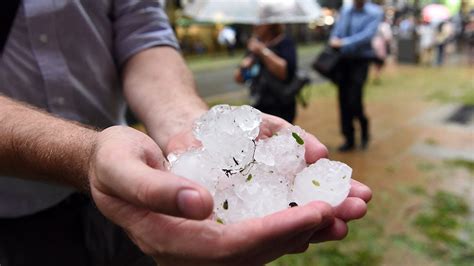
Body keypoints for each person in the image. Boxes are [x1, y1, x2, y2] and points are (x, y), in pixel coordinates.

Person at [0, 1, 372, 265]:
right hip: (15, 215)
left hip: (140, 185)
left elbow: (143, 34)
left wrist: (190, 125)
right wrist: (85, 153)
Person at [329, 0, 382, 152]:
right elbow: (337, 30)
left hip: (360, 62)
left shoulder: (374, 12)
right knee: (343, 100)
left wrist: (344, 43)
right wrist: (334, 39)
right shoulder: (346, 10)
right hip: (343, 61)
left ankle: (364, 128)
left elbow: (367, 36)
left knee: (354, 100)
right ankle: (348, 138)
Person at [234, 23, 298, 123]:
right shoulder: (254, 46)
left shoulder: (284, 42)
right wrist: (245, 65)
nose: (255, 26)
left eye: (260, 23)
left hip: (281, 104)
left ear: (271, 23)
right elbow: (238, 78)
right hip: (258, 102)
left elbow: (284, 73)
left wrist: (262, 50)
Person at [371, 16, 393, 84]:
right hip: (381, 45)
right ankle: (377, 75)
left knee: (375, 61)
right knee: (380, 62)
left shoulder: (373, 24)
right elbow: (388, 37)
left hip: (372, 44)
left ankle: (376, 75)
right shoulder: (385, 26)